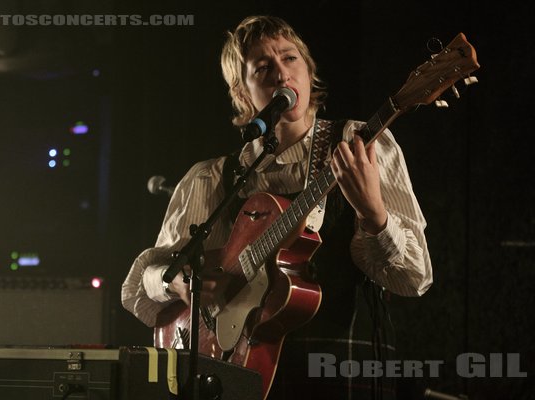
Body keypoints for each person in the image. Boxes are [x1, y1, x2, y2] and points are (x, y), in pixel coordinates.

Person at [122, 15, 433, 400]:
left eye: (290, 59)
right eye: (263, 67)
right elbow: (139, 286)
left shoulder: (360, 147)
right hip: (238, 373)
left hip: (340, 369)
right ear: (241, 90)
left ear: (308, 70)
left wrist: (374, 216)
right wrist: (180, 282)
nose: (281, 75)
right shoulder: (212, 178)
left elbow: (415, 277)